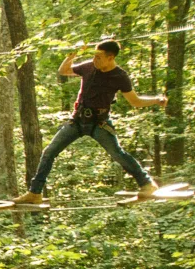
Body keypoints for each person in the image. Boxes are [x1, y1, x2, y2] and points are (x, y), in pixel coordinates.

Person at [13, 40, 168, 205]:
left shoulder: (120, 76)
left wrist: (156, 100)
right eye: (94, 56)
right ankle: (35, 193)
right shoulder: (89, 67)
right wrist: (72, 55)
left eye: (99, 57)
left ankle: (147, 184)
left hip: (99, 123)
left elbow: (135, 101)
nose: (95, 60)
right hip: (77, 121)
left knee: (118, 154)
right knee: (49, 152)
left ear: (110, 57)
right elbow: (64, 71)